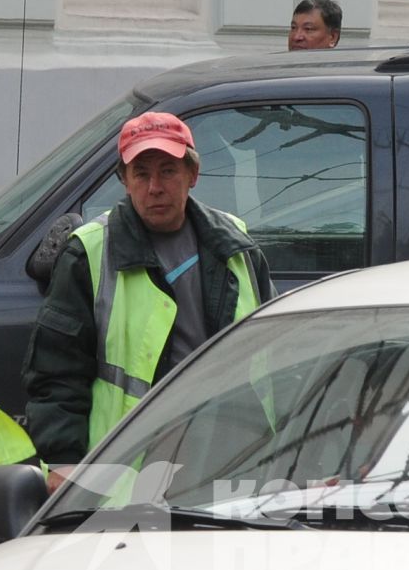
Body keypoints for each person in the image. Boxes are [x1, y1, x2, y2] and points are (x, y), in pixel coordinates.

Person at [23, 111, 275, 481]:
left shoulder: (236, 244)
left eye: (167, 170)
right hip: (129, 474)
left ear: (192, 175)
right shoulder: (89, 253)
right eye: (141, 173)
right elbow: (56, 373)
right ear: (125, 182)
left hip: (233, 463)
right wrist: (63, 464)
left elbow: (279, 358)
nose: (154, 186)